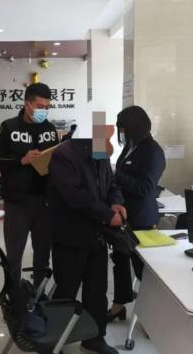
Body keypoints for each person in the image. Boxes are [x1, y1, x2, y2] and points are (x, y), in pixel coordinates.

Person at [48, 134, 126, 354]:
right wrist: (107, 215)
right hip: (70, 236)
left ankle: (94, 338)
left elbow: (111, 184)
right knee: (66, 291)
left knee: (97, 291)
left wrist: (116, 202)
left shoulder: (100, 153)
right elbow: (75, 196)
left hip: (97, 235)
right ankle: (53, 341)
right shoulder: (64, 155)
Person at [0, 83, 59, 287]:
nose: (44, 111)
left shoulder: (50, 129)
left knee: (42, 254)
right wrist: (21, 160)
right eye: (40, 106)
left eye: (47, 107)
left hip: (44, 202)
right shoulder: (8, 127)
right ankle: (14, 296)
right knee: (14, 255)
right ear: (27, 104)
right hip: (17, 203)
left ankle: (39, 293)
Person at [108, 106, 166, 322]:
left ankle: (154, 316)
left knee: (142, 269)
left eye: (123, 129)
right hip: (123, 216)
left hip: (142, 219)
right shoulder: (130, 147)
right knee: (120, 262)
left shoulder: (153, 152)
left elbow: (145, 188)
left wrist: (116, 174)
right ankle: (118, 305)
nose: (121, 133)